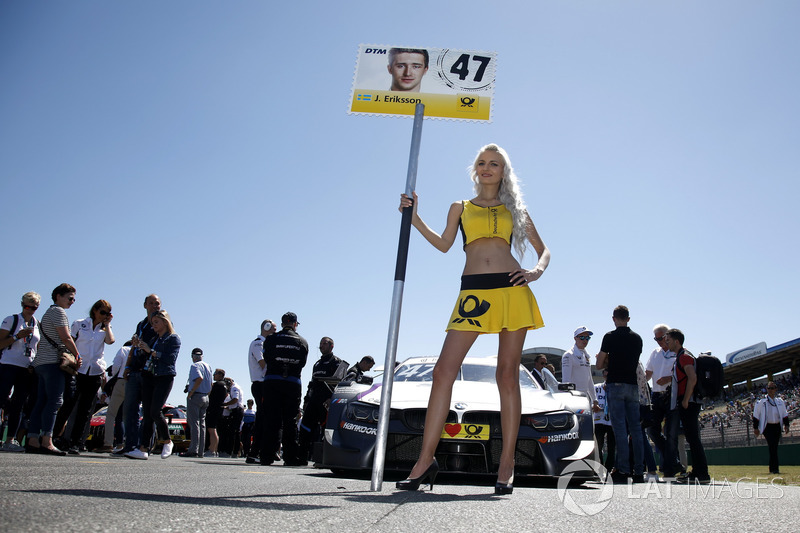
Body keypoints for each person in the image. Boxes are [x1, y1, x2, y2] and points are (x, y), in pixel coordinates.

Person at [396, 144, 550, 494]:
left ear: (503, 171)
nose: (487, 168)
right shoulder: (459, 207)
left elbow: (545, 251)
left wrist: (536, 271)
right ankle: (425, 460)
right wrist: (414, 216)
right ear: (475, 169)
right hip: (473, 294)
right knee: (442, 371)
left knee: (507, 375)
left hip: (513, 291)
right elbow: (444, 243)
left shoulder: (516, 209)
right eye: (481, 162)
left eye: (494, 163)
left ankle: (506, 463)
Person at [54, 299, 115, 454]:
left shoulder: (104, 330)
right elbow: (70, 340)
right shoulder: (80, 323)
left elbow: (110, 341)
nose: (104, 316)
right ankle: (55, 437)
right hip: (77, 370)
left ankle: (75, 442)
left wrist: (107, 325)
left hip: (94, 371)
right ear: (94, 310)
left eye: (107, 313)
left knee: (85, 410)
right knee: (68, 404)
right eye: (102, 312)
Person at [26, 283, 81, 455]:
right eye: (70, 298)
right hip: (52, 364)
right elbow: (65, 337)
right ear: (58, 296)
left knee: (41, 401)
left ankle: (33, 439)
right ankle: (47, 440)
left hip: (41, 363)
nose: (72, 301)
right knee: (55, 401)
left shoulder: (48, 312)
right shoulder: (58, 312)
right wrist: (77, 355)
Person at [596, 305, 644, 483]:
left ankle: (623, 469)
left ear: (614, 319)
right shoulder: (637, 338)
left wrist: (607, 360)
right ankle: (639, 470)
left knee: (620, 429)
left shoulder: (609, 337)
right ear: (628, 319)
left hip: (615, 384)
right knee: (636, 430)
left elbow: (600, 364)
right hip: (632, 385)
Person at [126, 309, 180, 460]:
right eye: (152, 323)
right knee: (148, 414)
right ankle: (143, 448)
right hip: (149, 375)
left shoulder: (173, 338)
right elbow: (146, 355)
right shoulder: (154, 338)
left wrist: (152, 351)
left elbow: (170, 359)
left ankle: (167, 441)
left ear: (165, 321)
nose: (154, 325)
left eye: (156, 322)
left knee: (156, 411)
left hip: (164, 376)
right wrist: (139, 347)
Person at [262, 312, 309, 466]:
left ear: (282, 324)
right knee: (290, 420)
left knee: (271, 420)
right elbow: (302, 362)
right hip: (292, 383)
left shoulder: (271, 339)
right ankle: (290, 457)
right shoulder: (302, 342)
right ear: (295, 324)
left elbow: (267, 358)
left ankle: (267, 456)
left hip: (272, 382)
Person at [664, 328, 710, 484]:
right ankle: (698, 471)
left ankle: (702, 473)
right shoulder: (681, 356)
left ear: (677, 341)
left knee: (693, 438)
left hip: (689, 402)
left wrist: (686, 399)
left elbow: (692, 377)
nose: (666, 342)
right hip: (688, 401)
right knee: (692, 437)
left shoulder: (684, 356)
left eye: (668, 340)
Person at [0, 291, 41, 452]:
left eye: (34, 307)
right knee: (2, 399)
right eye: (27, 306)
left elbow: (37, 347)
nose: (30, 309)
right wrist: (18, 336)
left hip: (26, 367)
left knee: (19, 404)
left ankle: (10, 440)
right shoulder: (12, 320)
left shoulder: (37, 324)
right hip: (8, 364)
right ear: (22, 304)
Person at [297, 337, 348, 464]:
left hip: (327, 402)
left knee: (326, 431)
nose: (321, 346)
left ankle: (325, 459)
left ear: (331, 346)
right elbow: (312, 384)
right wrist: (306, 400)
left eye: (324, 343)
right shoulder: (317, 364)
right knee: (305, 429)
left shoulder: (337, 362)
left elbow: (341, 383)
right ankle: (301, 457)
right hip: (314, 401)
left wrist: (332, 398)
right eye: (320, 344)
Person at [122, 294, 161, 455]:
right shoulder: (141, 324)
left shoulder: (162, 322)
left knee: (148, 412)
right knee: (129, 409)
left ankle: (143, 446)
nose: (155, 306)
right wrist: (128, 365)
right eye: (151, 303)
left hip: (150, 372)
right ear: (145, 305)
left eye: (157, 303)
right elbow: (134, 345)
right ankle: (130, 445)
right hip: (135, 370)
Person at [644, 323, 680, 478]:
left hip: (671, 394)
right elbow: (647, 374)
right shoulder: (655, 353)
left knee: (671, 433)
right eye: (656, 339)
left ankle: (670, 468)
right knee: (652, 430)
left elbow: (682, 373)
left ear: (668, 336)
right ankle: (674, 461)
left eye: (661, 338)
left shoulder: (676, 353)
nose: (659, 341)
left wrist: (669, 378)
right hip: (656, 396)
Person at [246, 319, 275, 463]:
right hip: (261, 384)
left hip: (265, 385)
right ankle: (254, 452)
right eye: (274, 329)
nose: (275, 332)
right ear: (267, 328)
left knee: (267, 417)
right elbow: (262, 363)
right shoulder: (258, 343)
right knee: (262, 419)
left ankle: (267, 448)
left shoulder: (265, 343)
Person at [752, 381, 790, 474]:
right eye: (769, 388)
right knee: (772, 446)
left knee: (774, 447)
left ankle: (774, 468)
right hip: (767, 427)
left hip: (777, 426)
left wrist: (787, 425)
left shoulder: (779, 401)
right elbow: (756, 415)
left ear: (776, 389)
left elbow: (785, 414)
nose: (770, 390)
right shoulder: (762, 402)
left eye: (772, 388)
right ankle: (774, 469)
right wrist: (755, 427)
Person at [100, 341, 131, 453]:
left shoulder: (124, 349)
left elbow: (116, 366)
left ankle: (108, 443)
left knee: (111, 414)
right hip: (134, 383)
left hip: (121, 381)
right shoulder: (141, 351)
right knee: (129, 415)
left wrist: (114, 375)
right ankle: (128, 444)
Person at [182, 347, 213, 458]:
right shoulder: (208, 366)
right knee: (202, 424)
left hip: (196, 395)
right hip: (205, 396)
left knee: (195, 424)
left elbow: (199, 378)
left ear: (193, 357)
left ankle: (193, 450)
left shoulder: (195, 366)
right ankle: (200, 451)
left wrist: (191, 393)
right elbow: (210, 383)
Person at [561, 326, 596, 404]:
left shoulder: (586, 356)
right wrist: (568, 399)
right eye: (582, 337)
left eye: (587, 338)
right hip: (574, 397)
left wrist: (594, 399)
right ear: (575, 338)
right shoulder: (568, 355)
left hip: (586, 398)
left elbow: (589, 380)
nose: (585, 340)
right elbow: (566, 380)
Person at [593, 370, 614, 471]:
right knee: (598, 445)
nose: (607, 377)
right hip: (598, 420)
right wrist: (594, 406)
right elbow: (591, 400)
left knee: (611, 446)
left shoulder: (615, 388)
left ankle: (609, 468)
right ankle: (600, 469)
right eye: (605, 375)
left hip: (611, 421)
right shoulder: (596, 387)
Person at [205, 368, 227, 458]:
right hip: (218, 409)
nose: (214, 375)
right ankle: (213, 449)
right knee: (213, 429)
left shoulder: (218, 385)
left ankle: (212, 450)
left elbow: (209, 394)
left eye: (215, 374)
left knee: (211, 429)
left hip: (213, 409)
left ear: (220, 375)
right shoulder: (224, 385)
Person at [219, 376, 243, 457]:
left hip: (236, 411)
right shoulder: (236, 387)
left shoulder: (234, 388)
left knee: (233, 431)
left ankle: (231, 451)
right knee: (235, 432)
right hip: (236, 409)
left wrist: (225, 404)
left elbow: (235, 400)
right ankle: (234, 451)